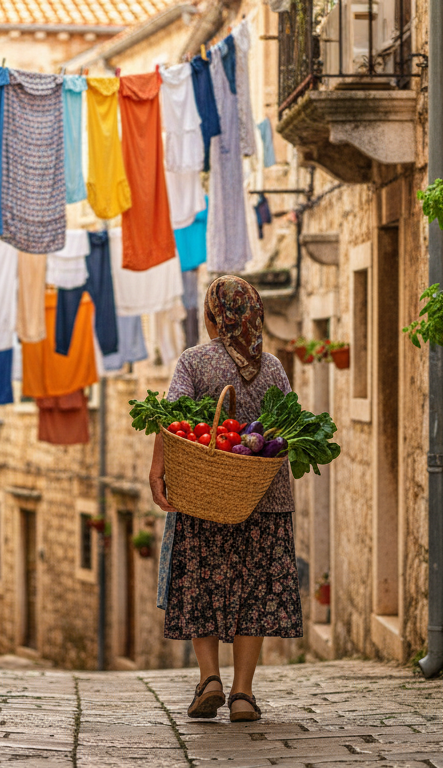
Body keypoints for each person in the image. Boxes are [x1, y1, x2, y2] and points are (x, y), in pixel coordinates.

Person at [149, 275, 303, 723]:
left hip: (205, 495)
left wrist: (158, 470)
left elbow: (172, 420)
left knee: (202, 586)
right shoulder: (273, 367)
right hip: (263, 499)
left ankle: (210, 678)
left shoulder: (194, 363)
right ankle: (242, 694)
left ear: (214, 315)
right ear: (255, 314)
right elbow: (287, 427)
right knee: (253, 592)